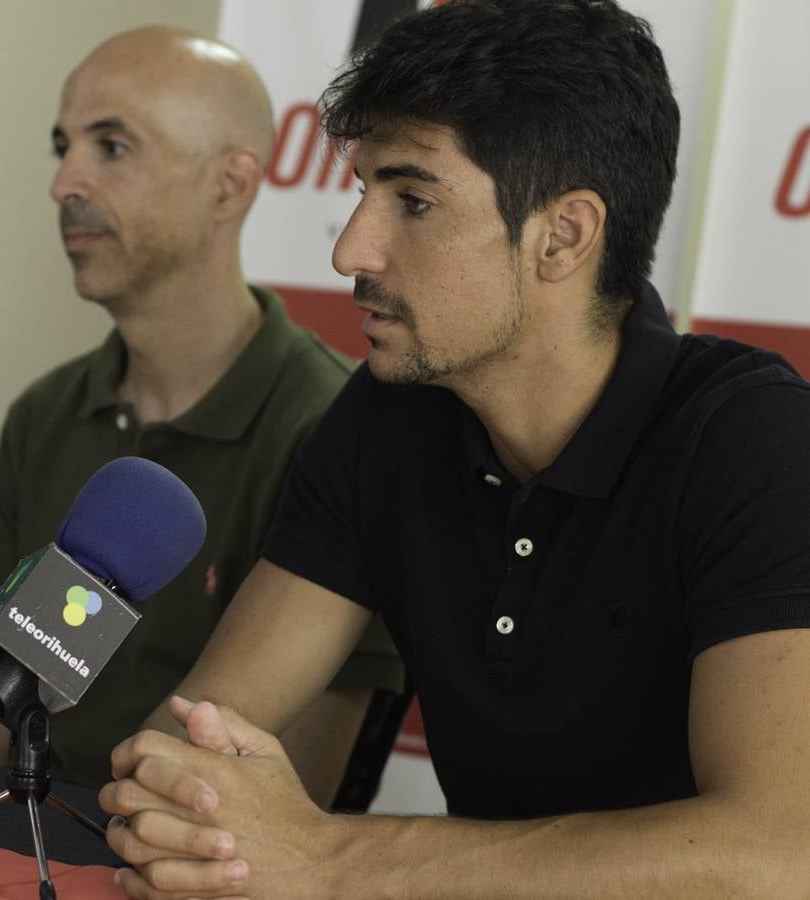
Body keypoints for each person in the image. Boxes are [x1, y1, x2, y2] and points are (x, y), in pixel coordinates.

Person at [99, 1, 810, 896]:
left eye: (414, 201)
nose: (352, 249)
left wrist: (332, 855)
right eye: (361, 193)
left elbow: (781, 852)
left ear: (565, 234)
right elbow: (194, 738)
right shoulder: (387, 416)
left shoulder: (754, 439)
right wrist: (183, 813)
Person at [0, 27, 403, 801]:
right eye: (63, 145)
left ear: (230, 185)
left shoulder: (336, 429)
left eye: (112, 147)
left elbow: (295, 793)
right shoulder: (45, 414)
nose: (64, 183)